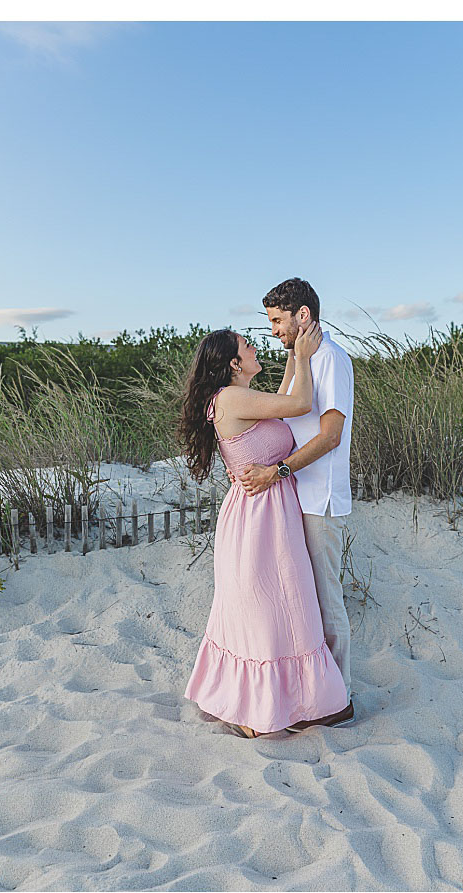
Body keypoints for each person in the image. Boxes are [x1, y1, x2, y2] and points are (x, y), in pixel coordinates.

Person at [179, 323, 348, 737]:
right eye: (247, 346)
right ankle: (260, 710)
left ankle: (291, 703)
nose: (257, 346)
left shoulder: (238, 396)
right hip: (258, 520)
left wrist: (294, 352)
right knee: (267, 612)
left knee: (285, 607)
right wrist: (305, 357)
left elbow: (287, 393)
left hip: (270, 512)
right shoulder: (233, 398)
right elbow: (300, 401)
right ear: (234, 364)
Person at [237, 278, 355, 730]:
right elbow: (284, 408)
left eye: (277, 320)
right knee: (301, 602)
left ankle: (340, 702)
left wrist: (276, 471)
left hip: (318, 497)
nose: (272, 330)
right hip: (292, 498)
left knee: (327, 601)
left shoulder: (333, 360)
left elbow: (330, 435)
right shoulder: (301, 359)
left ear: (302, 315)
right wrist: (292, 357)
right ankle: (314, 696)